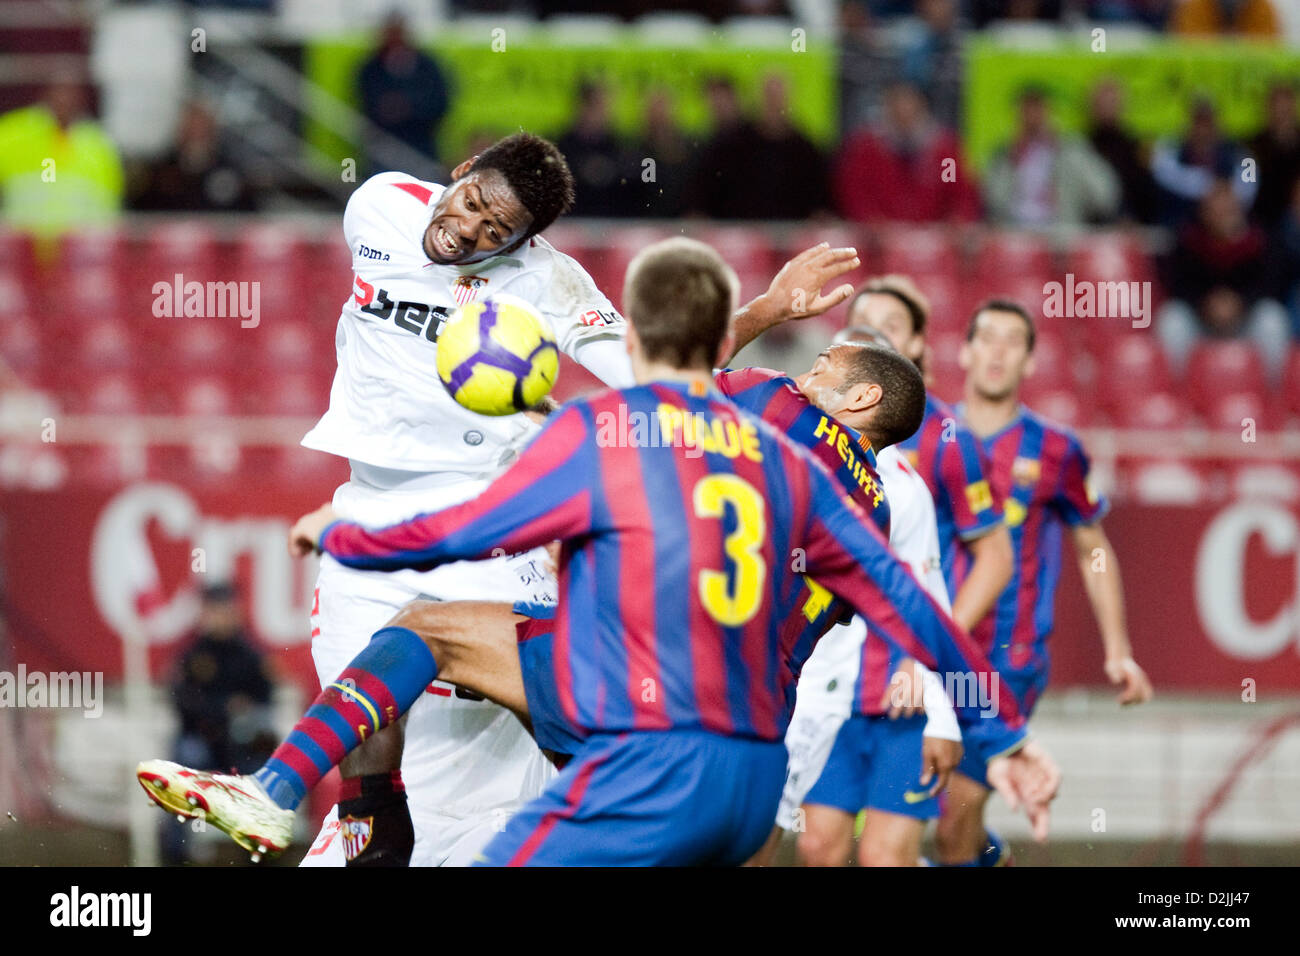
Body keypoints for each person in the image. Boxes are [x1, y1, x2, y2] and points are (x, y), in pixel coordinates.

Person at [138, 238, 1060, 866]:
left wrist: (349, 534)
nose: (801, 369)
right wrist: (1006, 736)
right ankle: (361, 827)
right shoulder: (855, 498)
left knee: (416, 631)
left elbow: (649, 388)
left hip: (637, 707)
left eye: (826, 369)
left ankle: (282, 791)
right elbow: (921, 616)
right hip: (746, 757)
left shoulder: (765, 415)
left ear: (857, 402)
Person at [934, 298, 1154, 867]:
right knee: (938, 818)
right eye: (987, 337)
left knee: (956, 810)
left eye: (1013, 341)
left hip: (1011, 656)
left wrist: (1119, 651)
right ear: (965, 349)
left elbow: (1093, 548)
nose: (998, 351)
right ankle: (994, 861)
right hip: (934, 651)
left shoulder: (1057, 450)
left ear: (1030, 362)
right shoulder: (929, 437)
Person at [1155, 180, 1290, 382]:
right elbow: (1176, 285)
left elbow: (1271, 284)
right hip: (1201, 320)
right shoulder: (1188, 240)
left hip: (1244, 319)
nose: (1223, 214)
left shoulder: (1259, 240)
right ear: (1204, 212)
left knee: (1272, 319)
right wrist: (1205, 303)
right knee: (1171, 319)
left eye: (1228, 209)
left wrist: (1240, 302)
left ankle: (1270, 395)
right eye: (1216, 209)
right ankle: (1177, 395)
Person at [834, 80, 978, 224]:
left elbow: (957, 191)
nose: (903, 110)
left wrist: (956, 220)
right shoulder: (867, 149)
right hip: (880, 235)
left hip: (933, 234)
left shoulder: (944, 152)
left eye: (909, 103)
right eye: (896, 103)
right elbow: (855, 191)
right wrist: (869, 220)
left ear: (922, 106)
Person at [0, 79, 123, 238]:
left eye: (71, 93)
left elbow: (108, 204)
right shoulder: (12, 134)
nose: (64, 99)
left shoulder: (98, 144)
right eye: (59, 91)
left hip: (79, 247)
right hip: (21, 243)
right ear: (45, 94)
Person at [983, 87, 1120, 229]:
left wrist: (1067, 158)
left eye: (1038, 110)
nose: (1032, 118)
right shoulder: (1004, 154)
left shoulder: (1072, 150)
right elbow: (992, 203)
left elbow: (1104, 196)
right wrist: (1012, 162)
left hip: (1060, 240)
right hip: (1015, 238)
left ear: (1050, 113)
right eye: (1027, 112)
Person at [357, 13, 452, 177]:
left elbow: (440, 102)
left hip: (422, 145)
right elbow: (368, 103)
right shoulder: (371, 68)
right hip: (384, 147)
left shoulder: (427, 67)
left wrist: (408, 107)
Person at [134, 100, 259, 212]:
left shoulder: (231, 173)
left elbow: (247, 216)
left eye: (202, 128)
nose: (196, 134)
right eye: (191, 128)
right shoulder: (161, 173)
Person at [1151, 98, 1255, 228]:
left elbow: (1249, 175)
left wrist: (1227, 194)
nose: (1203, 130)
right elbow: (1165, 173)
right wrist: (1210, 187)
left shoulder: (1237, 152)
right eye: (1198, 123)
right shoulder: (1171, 149)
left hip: (1227, 226)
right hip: (1181, 225)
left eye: (1208, 123)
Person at [556, 81, 633, 217]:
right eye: (597, 105)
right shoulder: (563, 146)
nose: (604, 112)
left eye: (606, 106)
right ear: (582, 106)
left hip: (611, 223)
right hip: (572, 224)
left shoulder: (620, 146)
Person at [1086, 79, 1156, 225]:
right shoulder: (1081, 146)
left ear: (1122, 106)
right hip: (1088, 226)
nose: (1107, 109)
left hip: (1130, 225)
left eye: (1111, 103)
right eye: (1102, 103)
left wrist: (1130, 216)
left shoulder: (1136, 147)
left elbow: (1144, 192)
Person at [1248, 82, 1300, 231]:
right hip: (1263, 220)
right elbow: (1246, 185)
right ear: (1267, 110)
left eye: (1285, 109)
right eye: (1276, 108)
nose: (1281, 115)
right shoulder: (1252, 148)